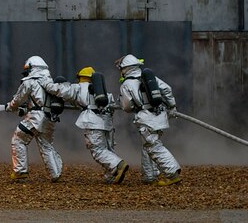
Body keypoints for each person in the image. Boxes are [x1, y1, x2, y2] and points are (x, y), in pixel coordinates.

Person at [44, 66, 129, 184]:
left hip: (93, 122)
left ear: (80, 78)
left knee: (97, 150)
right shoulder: (104, 92)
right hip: (108, 123)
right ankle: (111, 176)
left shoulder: (79, 87)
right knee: (108, 149)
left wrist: (46, 84)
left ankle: (118, 165)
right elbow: (112, 107)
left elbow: (60, 90)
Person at [115, 54, 182, 186]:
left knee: (154, 146)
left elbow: (127, 107)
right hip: (159, 115)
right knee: (148, 146)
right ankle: (150, 176)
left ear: (125, 69)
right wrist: (172, 106)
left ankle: (172, 173)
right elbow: (167, 89)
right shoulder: (150, 78)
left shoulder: (127, 84)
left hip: (146, 118)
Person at [4, 55, 63, 183]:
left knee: (18, 139)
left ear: (32, 68)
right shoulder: (49, 81)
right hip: (49, 118)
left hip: (35, 119)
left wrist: (10, 107)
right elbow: (38, 102)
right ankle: (55, 173)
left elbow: (19, 99)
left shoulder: (30, 81)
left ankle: (20, 172)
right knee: (46, 145)